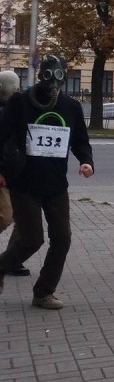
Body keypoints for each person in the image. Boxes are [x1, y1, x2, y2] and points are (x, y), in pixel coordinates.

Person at [0, 55, 94, 310]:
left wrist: (86, 161)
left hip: (55, 185)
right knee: (31, 239)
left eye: (59, 74)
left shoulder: (71, 107)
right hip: (24, 183)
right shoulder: (21, 102)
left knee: (62, 239)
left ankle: (43, 292)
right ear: (41, 74)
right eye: (48, 74)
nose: (53, 80)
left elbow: (81, 141)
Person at [0, 70, 31, 278]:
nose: (15, 89)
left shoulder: (18, 107)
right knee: (6, 216)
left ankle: (12, 259)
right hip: (4, 173)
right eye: (12, 85)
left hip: (18, 171)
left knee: (24, 219)